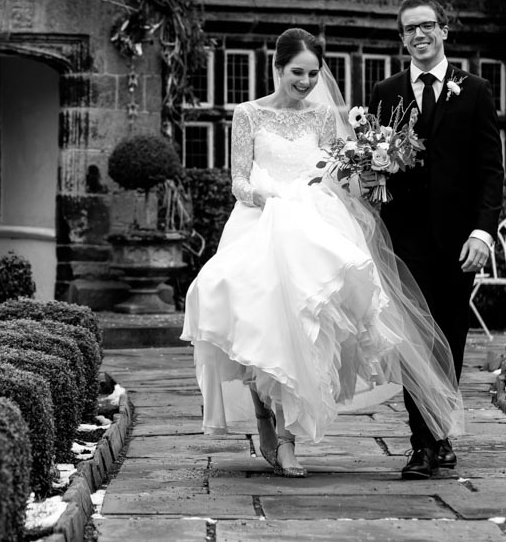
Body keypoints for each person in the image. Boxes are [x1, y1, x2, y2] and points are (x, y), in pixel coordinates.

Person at [181, 28, 463, 478]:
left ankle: (289, 437)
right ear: (277, 68)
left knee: (303, 328)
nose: (306, 81)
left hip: (313, 227)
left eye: (313, 73)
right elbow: (238, 180)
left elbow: (335, 172)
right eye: (297, 72)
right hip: (260, 220)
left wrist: (365, 175)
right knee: (254, 324)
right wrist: (272, 200)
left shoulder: (322, 116)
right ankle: (263, 418)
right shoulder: (247, 114)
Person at [369, 0, 504, 480]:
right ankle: (422, 445)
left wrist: (483, 233)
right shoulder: (386, 92)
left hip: (458, 242)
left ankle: (440, 431)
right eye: (409, 29)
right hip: (404, 241)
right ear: (401, 38)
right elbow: (373, 165)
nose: (419, 35)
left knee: (448, 338)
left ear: (445, 31)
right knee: (410, 341)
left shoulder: (475, 91)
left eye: (428, 26)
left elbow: (490, 172)